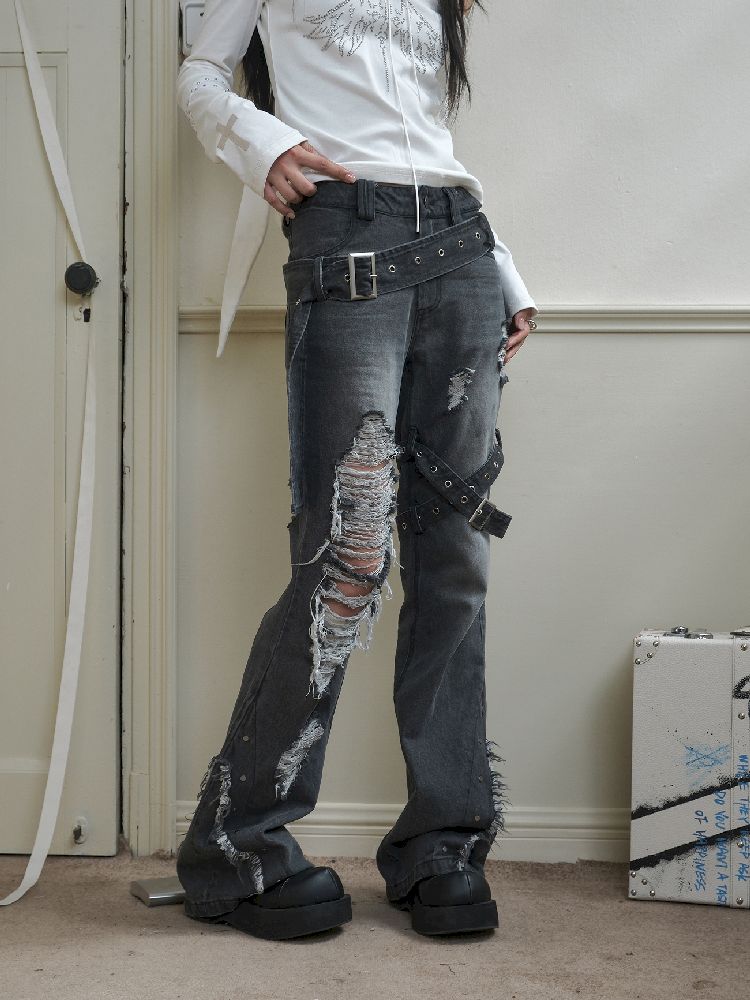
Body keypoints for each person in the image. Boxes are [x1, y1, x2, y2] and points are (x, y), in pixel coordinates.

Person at [175, 0, 539, 941]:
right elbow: (200, 74)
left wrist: (502, 270)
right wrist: (262, 143)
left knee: (455, 560)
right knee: (348, 556)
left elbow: (425, 127)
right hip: (349, 240)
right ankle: (237, 849)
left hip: (462, 248)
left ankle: (442, 846)